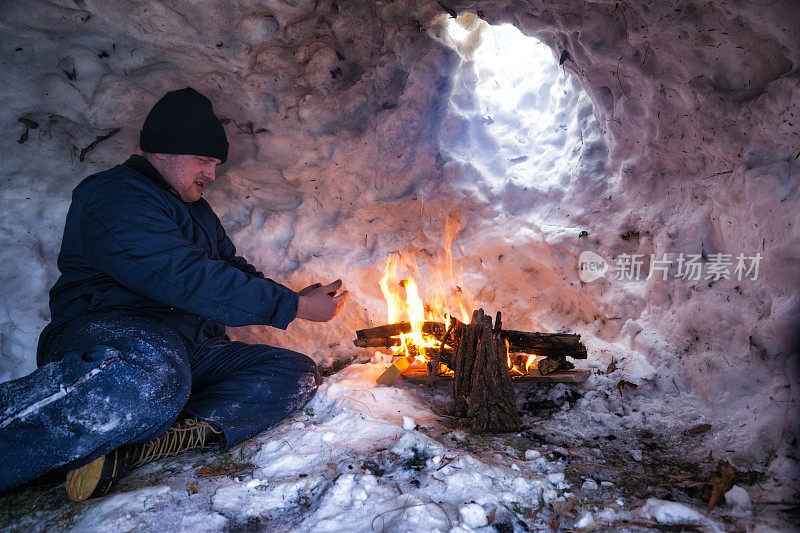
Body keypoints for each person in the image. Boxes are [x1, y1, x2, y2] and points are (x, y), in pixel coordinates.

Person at [0, 87, 348, 500]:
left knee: (291, 373)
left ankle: (140, 444)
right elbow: (181, 277)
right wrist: (294, 307)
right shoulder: (113, 196)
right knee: (153, 375)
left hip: (188, 348)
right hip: (113, 338)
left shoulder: (194, 207)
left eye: (215, 163)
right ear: (164, 151)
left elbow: (227, 269)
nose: (212, 174)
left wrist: (291, 295)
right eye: (204, 161)